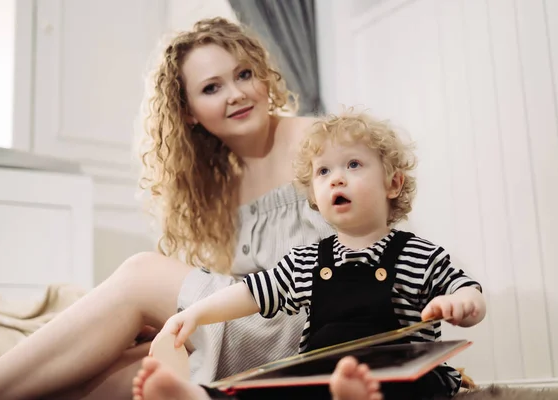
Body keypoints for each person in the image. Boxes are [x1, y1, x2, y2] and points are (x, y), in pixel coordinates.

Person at [0, 17, 373, 400]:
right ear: (189, 113)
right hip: (253, 325)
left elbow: (375, 240)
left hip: (311, 328)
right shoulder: (222, 184)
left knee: (141, 273)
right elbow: (241, 282)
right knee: (119, 371)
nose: (236, 94)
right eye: (212, 88)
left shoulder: (316, 141)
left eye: (244, 74)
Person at [134, 112, 487, 400]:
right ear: (315, 198)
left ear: (392, 184)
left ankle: (358, 395)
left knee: (415, 388)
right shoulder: (306, 261)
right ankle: (196, 397)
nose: (336, 179)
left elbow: (466, 288)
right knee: (271, 387)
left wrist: (462, 304)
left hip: (401, 376)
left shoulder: (416, 254)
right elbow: (252, 293)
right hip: (321, 376)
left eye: (353, 165)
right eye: (324, 171)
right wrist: (196, 313)